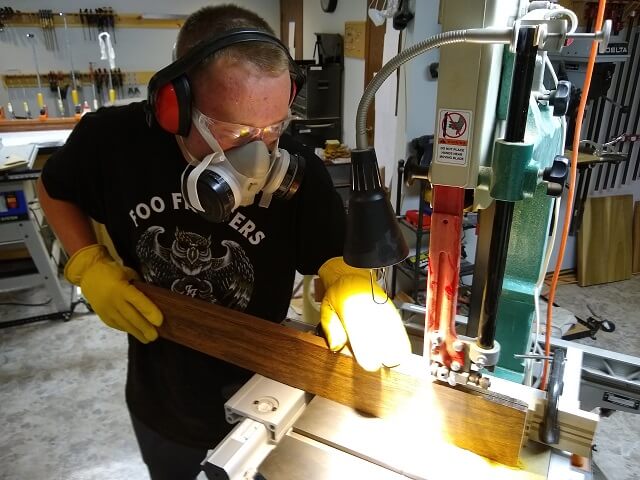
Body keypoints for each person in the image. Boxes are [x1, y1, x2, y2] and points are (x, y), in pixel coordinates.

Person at [37, 5, 410, 479]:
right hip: (162, 401)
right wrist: (87, 264)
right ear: (174, 105)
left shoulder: (298, 174)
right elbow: (54, 188)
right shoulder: (112, 142)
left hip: (267, 397)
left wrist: (349, 285)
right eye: (235, 133)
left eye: (273, 128)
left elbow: (333, 257)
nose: (260, 156)